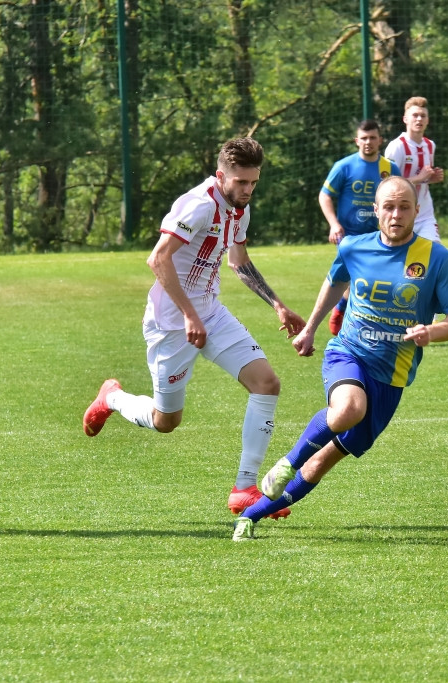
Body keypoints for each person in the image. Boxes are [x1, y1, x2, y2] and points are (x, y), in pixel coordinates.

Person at [232, 175, 448, 541]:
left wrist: (431, 331)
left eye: (404, 207)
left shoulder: (436, 258)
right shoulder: (355, 247)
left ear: (417, 211)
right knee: (348, 409)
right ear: (375, 211)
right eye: (388, 206)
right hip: (349, 353)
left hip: (391, 377)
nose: (396, 214)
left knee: (324, 460)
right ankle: (285, 464)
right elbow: (335, 282)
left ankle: (250, 516)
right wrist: (310, 328)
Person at [83, 137, 306, 519]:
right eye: (241, 183)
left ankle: (244, 488)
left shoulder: (240, 210)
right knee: (165, 421)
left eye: (254, 182)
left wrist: (277, 305)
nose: (248, 190)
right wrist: (189, 315)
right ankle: (112, 398)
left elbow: (238, 261)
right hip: (171, 323)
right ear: (222, 176)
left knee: (267, 383)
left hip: (212, 314)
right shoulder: (199, 205)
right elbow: (158, 259)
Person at [319, 119, 400, 335]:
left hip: (379, 236)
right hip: (349, 236)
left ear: (380, 140)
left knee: (373, 280)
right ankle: (342, 310)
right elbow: (325, 195)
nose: (368, 142)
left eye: (373, 138)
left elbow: (399, 198)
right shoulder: (344, 166)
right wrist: (333, 224)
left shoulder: (389, 168)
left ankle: (349, 312)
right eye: (364, 138)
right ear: (357, 141)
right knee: (352, 278)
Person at [384, 96, 444, 243]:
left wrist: (431, 179)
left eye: (423, 116)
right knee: (399, 259)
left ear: (428, 120)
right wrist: (420, 178)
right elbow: (387, 184)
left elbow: (423, 180)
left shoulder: (430, 145)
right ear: (405, 119)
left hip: (424, 214)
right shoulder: (396, 146)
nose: (419, 119)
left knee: (433, 251)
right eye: (415, 115)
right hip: (400, 214)